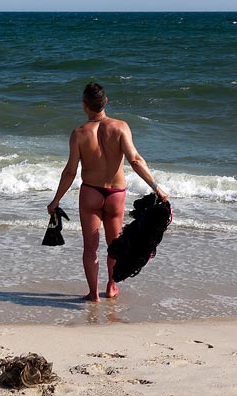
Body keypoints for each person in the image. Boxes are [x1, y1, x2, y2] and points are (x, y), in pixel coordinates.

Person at [47, 82, 168, 302]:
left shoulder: (79, 133)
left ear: (85, 105)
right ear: (106, 102)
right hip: (115, 194)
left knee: (90, 248)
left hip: (90, 193)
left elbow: (70, 172)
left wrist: (56, 200)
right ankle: (111, 287)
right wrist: (156, 187)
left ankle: (93, 294)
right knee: (116, 245)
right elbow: (135, 160)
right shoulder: (121, 127)